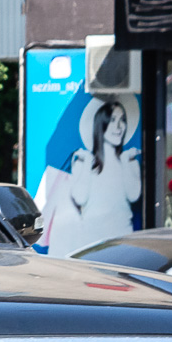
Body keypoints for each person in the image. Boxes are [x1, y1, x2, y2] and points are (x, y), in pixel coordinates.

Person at [40, 99, 141, 255]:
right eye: (112, 120)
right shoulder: (85, 161)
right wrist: (86, 163)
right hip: (91, 241)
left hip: (122, 238)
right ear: (101, 124)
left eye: (122, 120)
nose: (119, 127)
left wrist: (127, 162)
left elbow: (133, 195)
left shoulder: (128, 161)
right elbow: (80, 198)